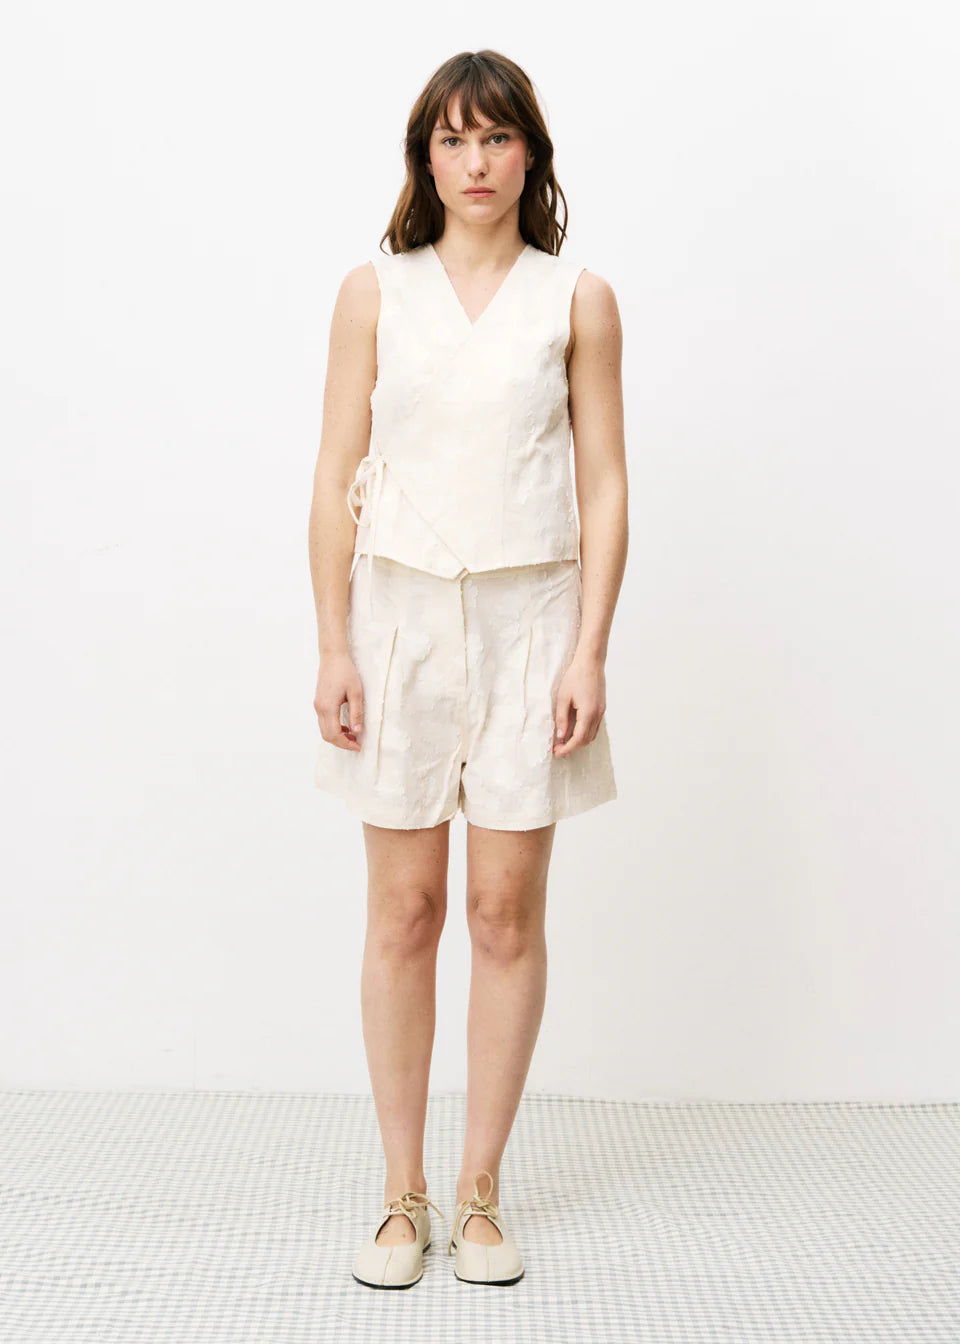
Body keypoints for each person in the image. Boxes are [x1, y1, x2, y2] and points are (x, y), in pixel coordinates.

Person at [307, 49, 627, 1288]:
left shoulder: (576, 300)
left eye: (497, 138)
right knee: (404, 912)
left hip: (531, 623)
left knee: (502, 913)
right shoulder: (373, 293)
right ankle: (403, 1195)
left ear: (528, 153)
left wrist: (589, 649)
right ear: (424, 158)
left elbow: (605, 485)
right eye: (452, 139)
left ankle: (482, 1192)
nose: (476, 162)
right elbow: (333, 476)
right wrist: (333, 641)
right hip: (397, 621)